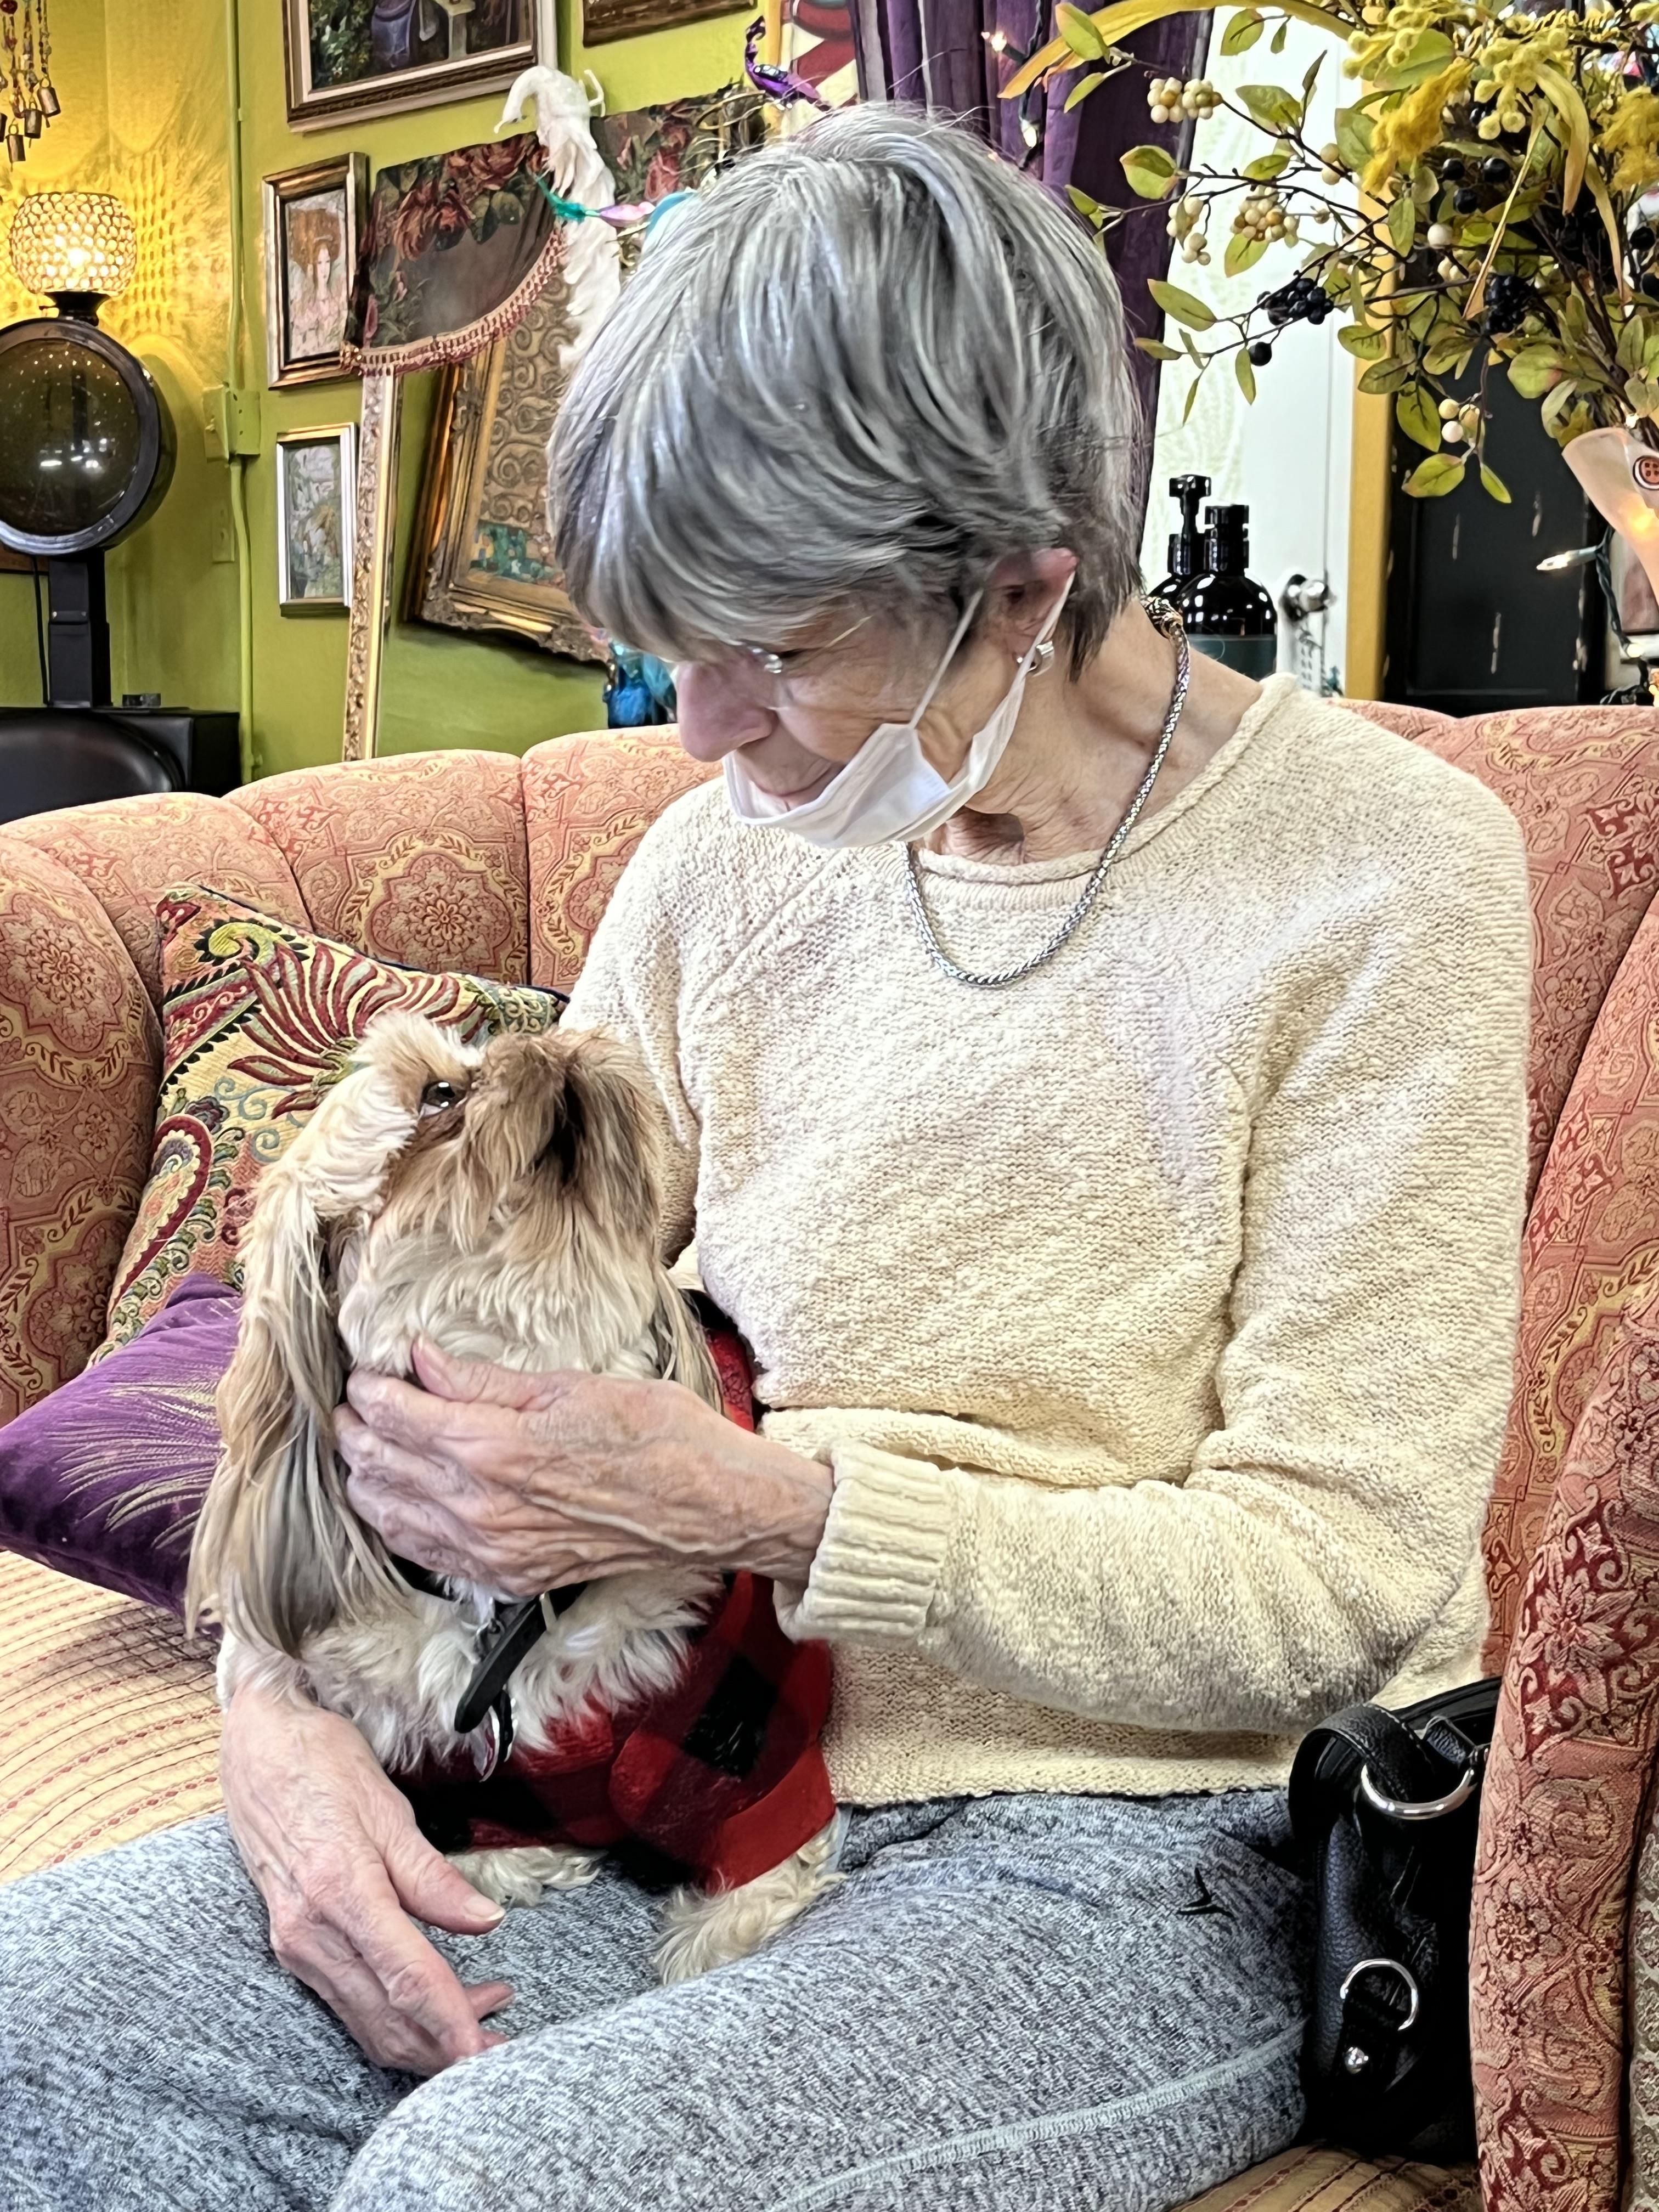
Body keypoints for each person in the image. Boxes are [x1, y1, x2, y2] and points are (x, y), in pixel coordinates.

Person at [0, 105, 1530, 2212]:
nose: (704, 736)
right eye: (675, 648)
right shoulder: (734, 867)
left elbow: (1342, 1584)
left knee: (492, 2192)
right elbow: (445, 1344)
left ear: (1023, 584)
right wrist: (279, 1716)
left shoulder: (1387, 879)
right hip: (658, 1751)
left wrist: (774, 1507)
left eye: (780, 652)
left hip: (1135, 1851)